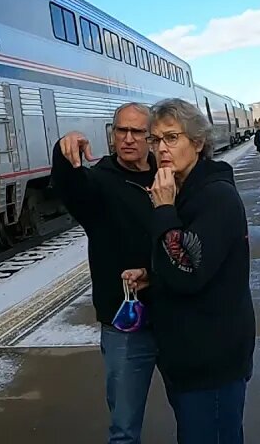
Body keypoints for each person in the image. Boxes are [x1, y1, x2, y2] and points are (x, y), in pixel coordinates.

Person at [124, 98, 255, 444]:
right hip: (188, 361)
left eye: (171, 138)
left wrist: (164, 209)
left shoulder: (215, 198)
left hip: (210, 362)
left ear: (197, 143)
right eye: (155, 140)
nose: (160, 149)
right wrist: (154, 275)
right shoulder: (185, 192)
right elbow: (193, 263)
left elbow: (188, 269)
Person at [50, 102, 158, 444]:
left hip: (177, 315)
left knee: (195, 417)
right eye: (120, 131)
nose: (127, 139)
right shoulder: (99, 182)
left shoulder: (169, 175)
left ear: (150, 137)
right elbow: (73, 189)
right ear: (111, 135)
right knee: (124, 430)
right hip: (126, 324)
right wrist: (64, 151)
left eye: (137, 131)